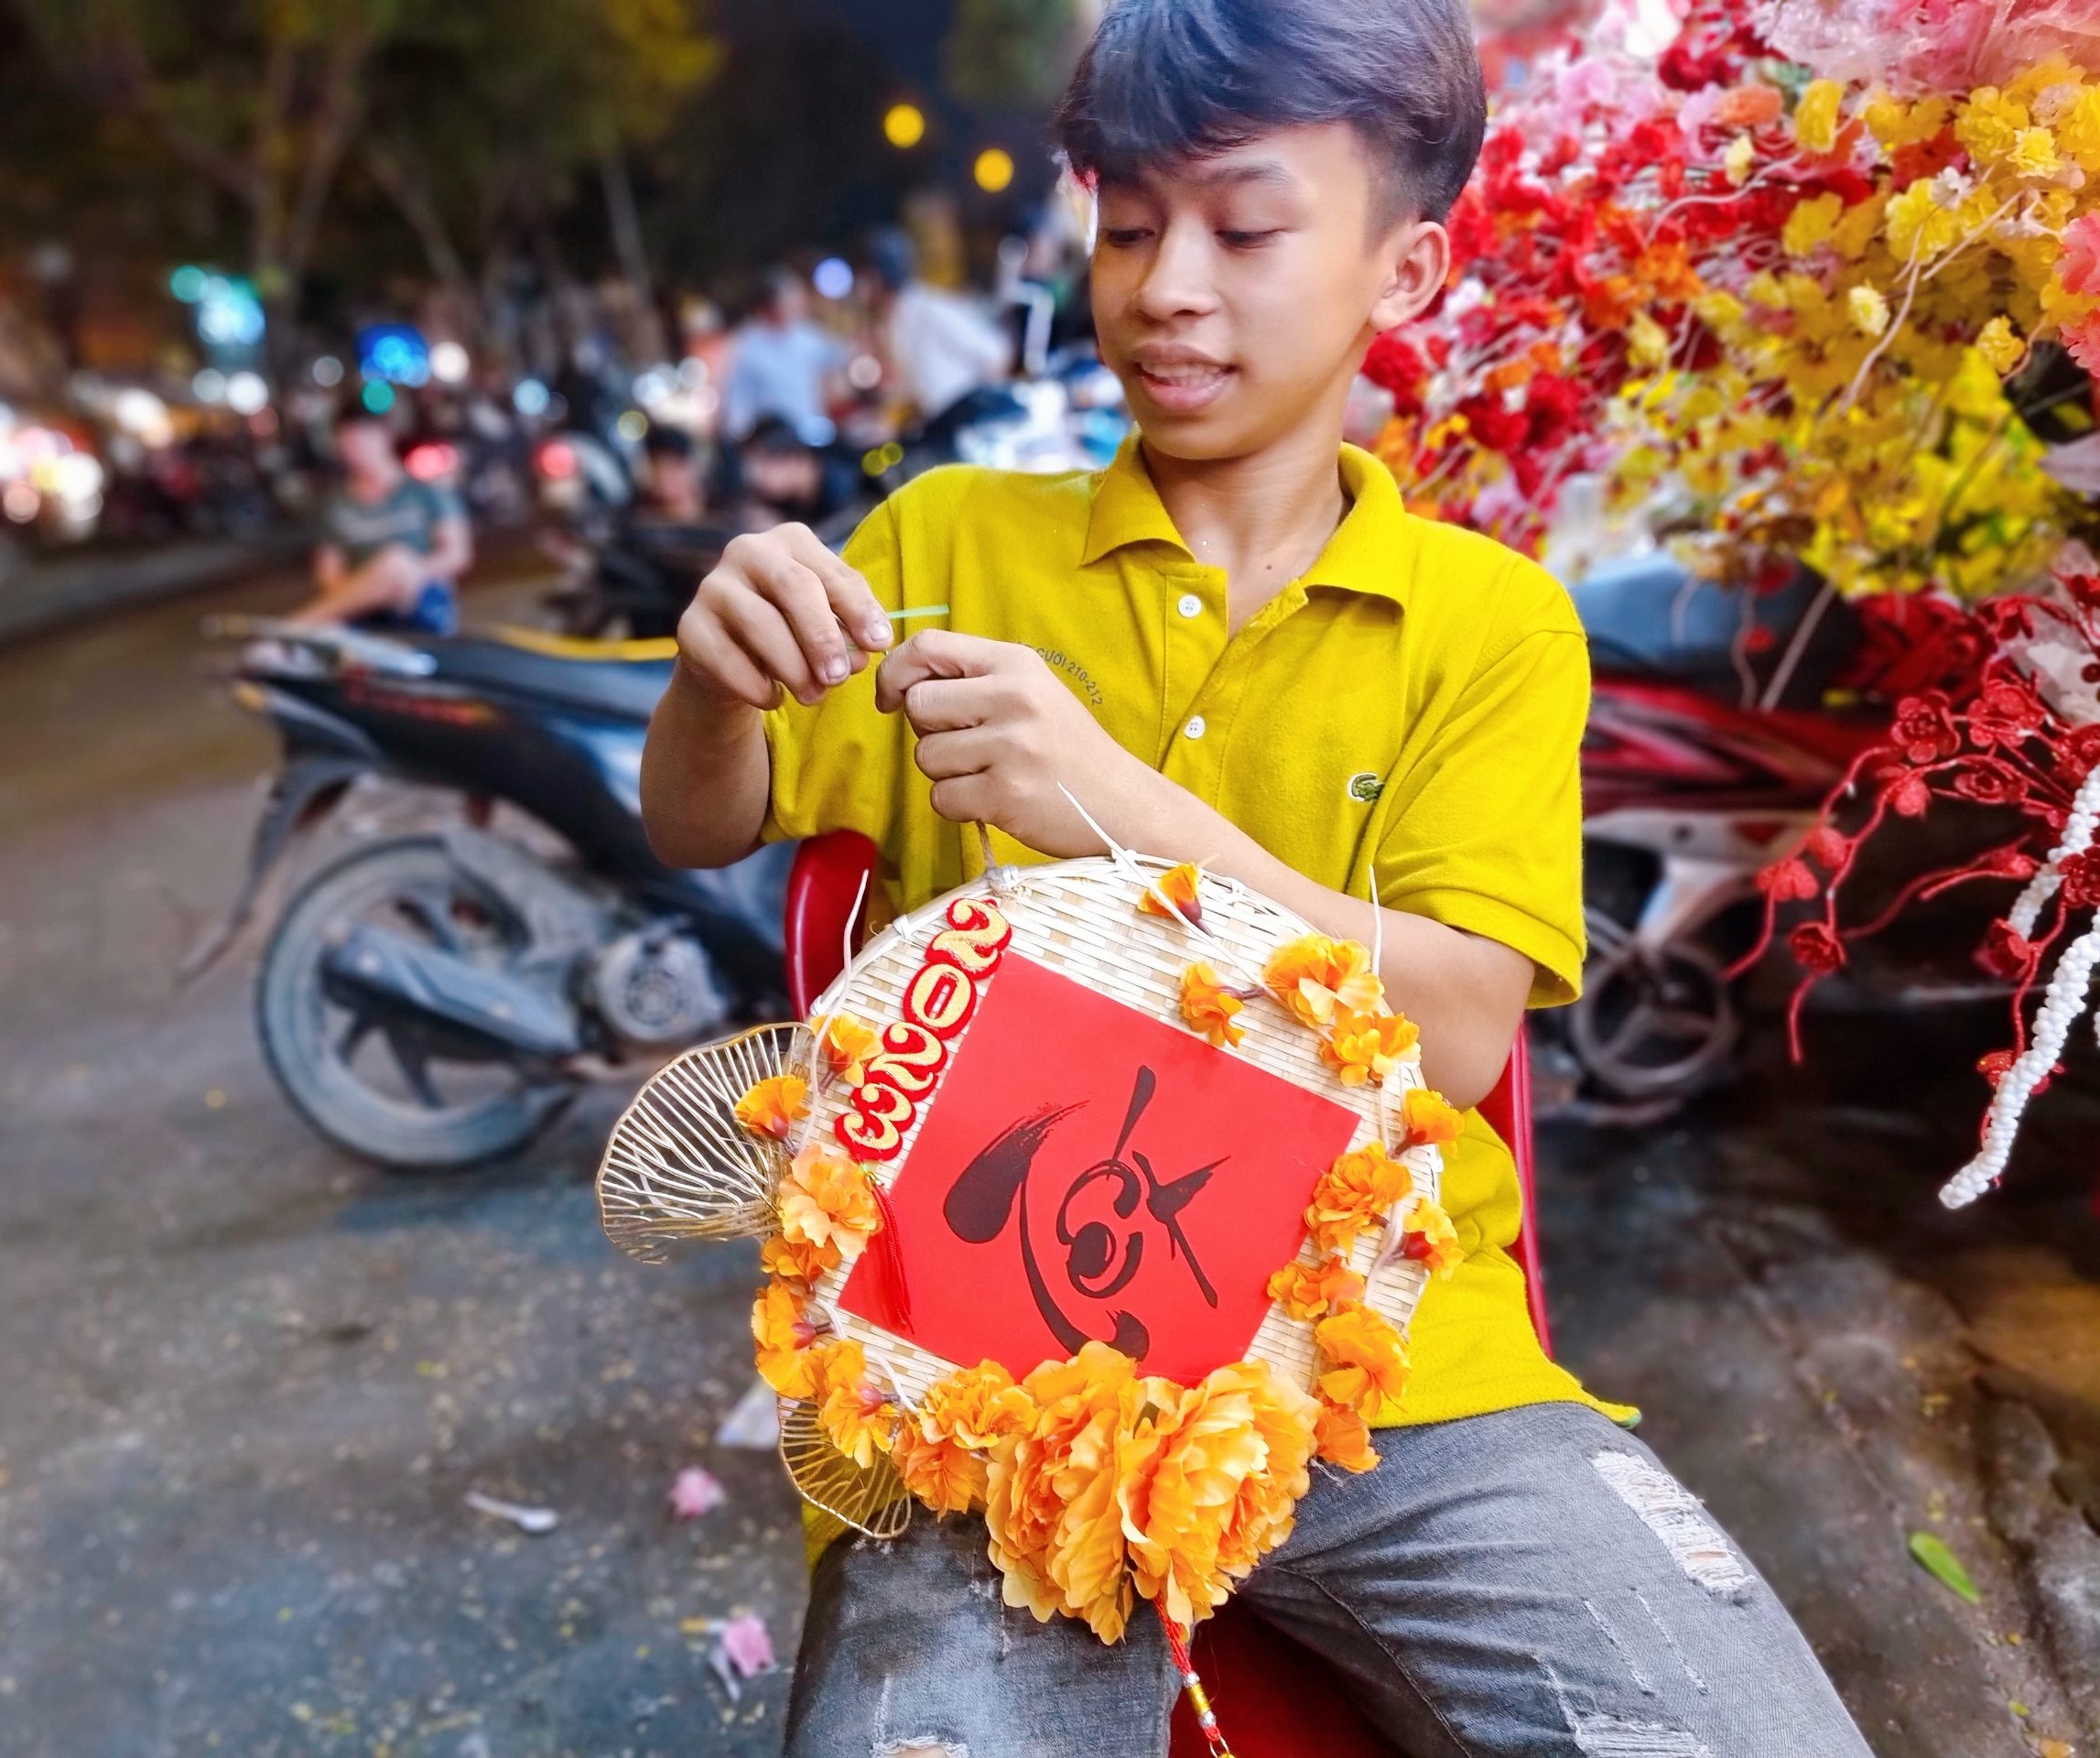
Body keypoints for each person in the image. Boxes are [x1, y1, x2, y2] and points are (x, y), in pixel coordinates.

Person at [639, 2, 1878, 1754]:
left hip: (1397, 1380)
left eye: (1245, 223)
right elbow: (702, 820)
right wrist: (711, 676)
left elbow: (1454, 1036)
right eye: (1129, 225)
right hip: (982, 1388)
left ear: (1409, 267)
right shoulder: (947, 545)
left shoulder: (1488, 626)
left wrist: (1121, 808)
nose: (1164, 287)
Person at [292, 406, 471, 634]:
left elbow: (457, 554)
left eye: (363, 437)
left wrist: (411, 575)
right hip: (361, 608)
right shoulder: (335, 506)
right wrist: (373, 590)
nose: (357, 449)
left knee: (395, 563)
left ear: (384, 436)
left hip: (420, 599)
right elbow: (329, 575)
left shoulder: (425, 491)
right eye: (348, 441)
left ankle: (299, 626)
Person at [865, 226, 1015, 422]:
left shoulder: (932, 309)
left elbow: (996, 354)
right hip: (944, 430)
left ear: (874, 277)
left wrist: (984, 411)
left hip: (972, 428)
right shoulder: (897, 320)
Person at [719, 268, 849, 445]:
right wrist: (740, 439)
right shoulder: (745, 345)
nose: (797, 304)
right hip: (770, 441)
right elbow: (738, 399)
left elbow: (840, 356)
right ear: (770, 303)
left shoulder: (806, 335)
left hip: (810, 434)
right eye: (790, 299)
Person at [641, 425, 712, 524]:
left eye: (674, 466)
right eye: (659, 466)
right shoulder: (639, 519)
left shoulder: (724, 515)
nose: (664, 477)